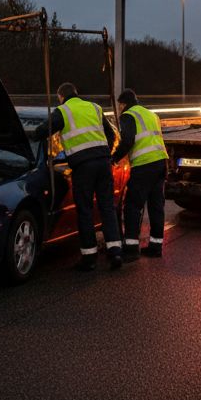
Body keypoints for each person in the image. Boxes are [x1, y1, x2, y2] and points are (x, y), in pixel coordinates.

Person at [41, 82, 123, 271]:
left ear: (61, 97)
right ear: (76, 93)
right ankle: (115, 252)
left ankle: (89, 257)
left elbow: (43, 131)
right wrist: (106, 153)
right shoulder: (94, 107)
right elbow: (111, 134)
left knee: (85, 210)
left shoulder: (63, 111)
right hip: (103, 163)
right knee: (107, 208)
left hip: (83, 167)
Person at [113, 88, 168, 261]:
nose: (119, 109)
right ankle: (156, 247)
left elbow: (127, 141)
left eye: (119, 106)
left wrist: (114, 158)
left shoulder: (128, 115)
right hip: (160, 162)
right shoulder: (151, 115)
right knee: (156, 206)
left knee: (133, 206)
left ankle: (131, 249)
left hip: (144, 165)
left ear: (123, 104)